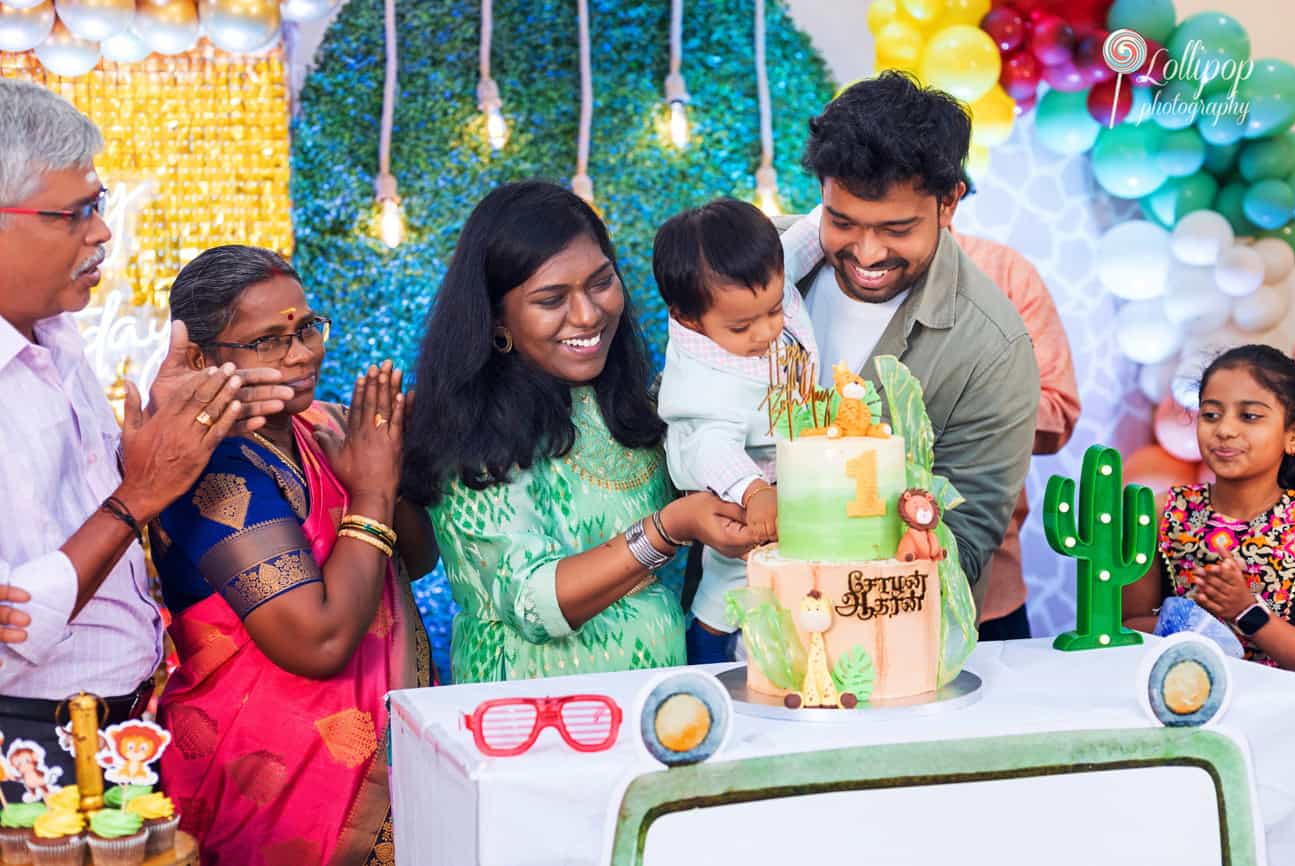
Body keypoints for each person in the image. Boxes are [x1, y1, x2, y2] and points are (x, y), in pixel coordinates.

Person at [0, 79, 292, 804]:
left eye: (98, 206)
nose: (101, 232)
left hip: (120, 726)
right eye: (76, 213)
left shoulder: (57, 339)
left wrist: (176, 433)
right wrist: (138, 495)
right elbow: (11, 640)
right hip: (28, 749)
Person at [402, 181, 755, 684]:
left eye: (600, 282)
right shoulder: (471, 430)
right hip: (528, 724)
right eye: (551, 300)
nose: (589, 314)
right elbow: (533, 602)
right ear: (497, 317)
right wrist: (668, 528)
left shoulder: (637, 403)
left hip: (660, 715)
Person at [153, 246, 434, 865]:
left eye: (307, 326)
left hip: (379, 764)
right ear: (200, 359)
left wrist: (393, 465)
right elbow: (317, 643)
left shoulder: (324, 429)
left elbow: (418, 556)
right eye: (269, 341)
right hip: (268, 789)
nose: (304, 352)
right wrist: (372, 489)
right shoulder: (209, 468)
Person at [777, 71, 1039, 597]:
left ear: (949, 204)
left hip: (886, 646)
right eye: (843, 222)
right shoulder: (757, 267)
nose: (868, 253)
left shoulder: (993, 349)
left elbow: (964, 544)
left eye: (897, 230)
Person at [653, 198, 820, 663]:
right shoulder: (704, 379)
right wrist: (752, 492)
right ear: (689, 319)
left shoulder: (758, 287)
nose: (767, 331)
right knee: (730, 585)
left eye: (774, 310)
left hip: (793, 471)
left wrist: (837, 218)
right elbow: (712, 446)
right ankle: (708, 655)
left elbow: (810, 239)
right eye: (743, 326)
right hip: (741, 496)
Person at [1124, 345, 1295, 670]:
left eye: (1249, 416)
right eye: (1211, 414)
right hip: (1180, 696)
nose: (1224, 430)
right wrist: (1191, 625)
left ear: (1293, 436)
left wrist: (1246, 611)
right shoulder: (1161, 513)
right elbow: (1129, 626)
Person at [952, 229, 1080, 640]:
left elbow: (1059, 411)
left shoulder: (1004, 273)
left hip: (989, 593)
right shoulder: (825, 267)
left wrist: (969, 408)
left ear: (950, 198)